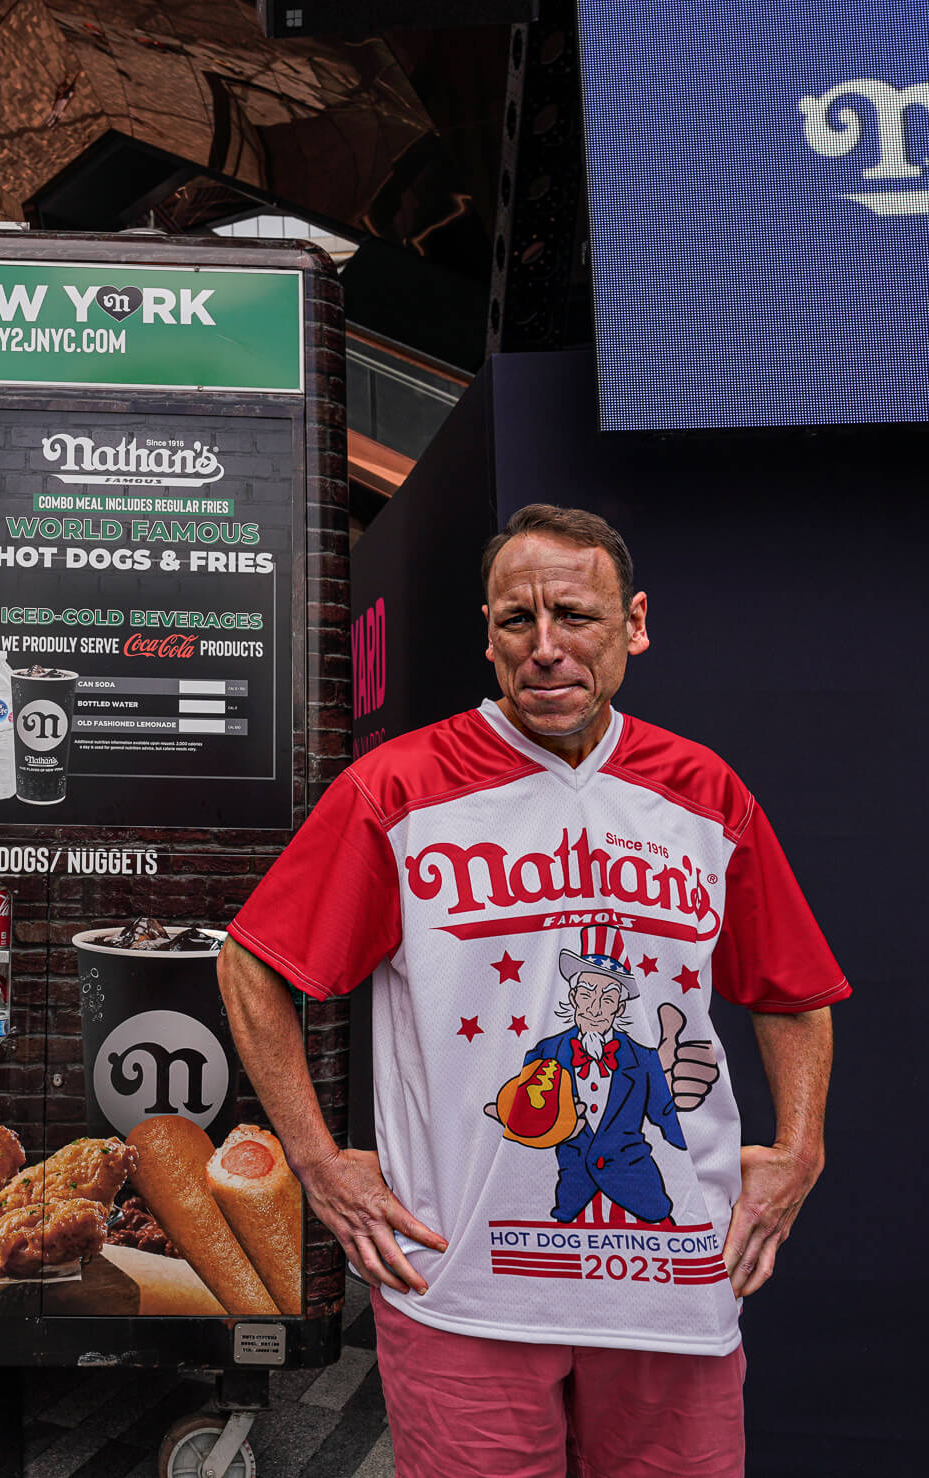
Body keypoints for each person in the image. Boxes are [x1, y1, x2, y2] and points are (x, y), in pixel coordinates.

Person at [217, 505, 844, 1477]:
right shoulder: (398, 788)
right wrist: (315, 1158)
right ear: (486, 633)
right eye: (517, 620)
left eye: (574, 616)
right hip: (462, 1281)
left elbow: (792, 989)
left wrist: (798, 1147)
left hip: (671, 1286)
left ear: (631, 622)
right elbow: (250, 960)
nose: (544, 647)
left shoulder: (702, 792)